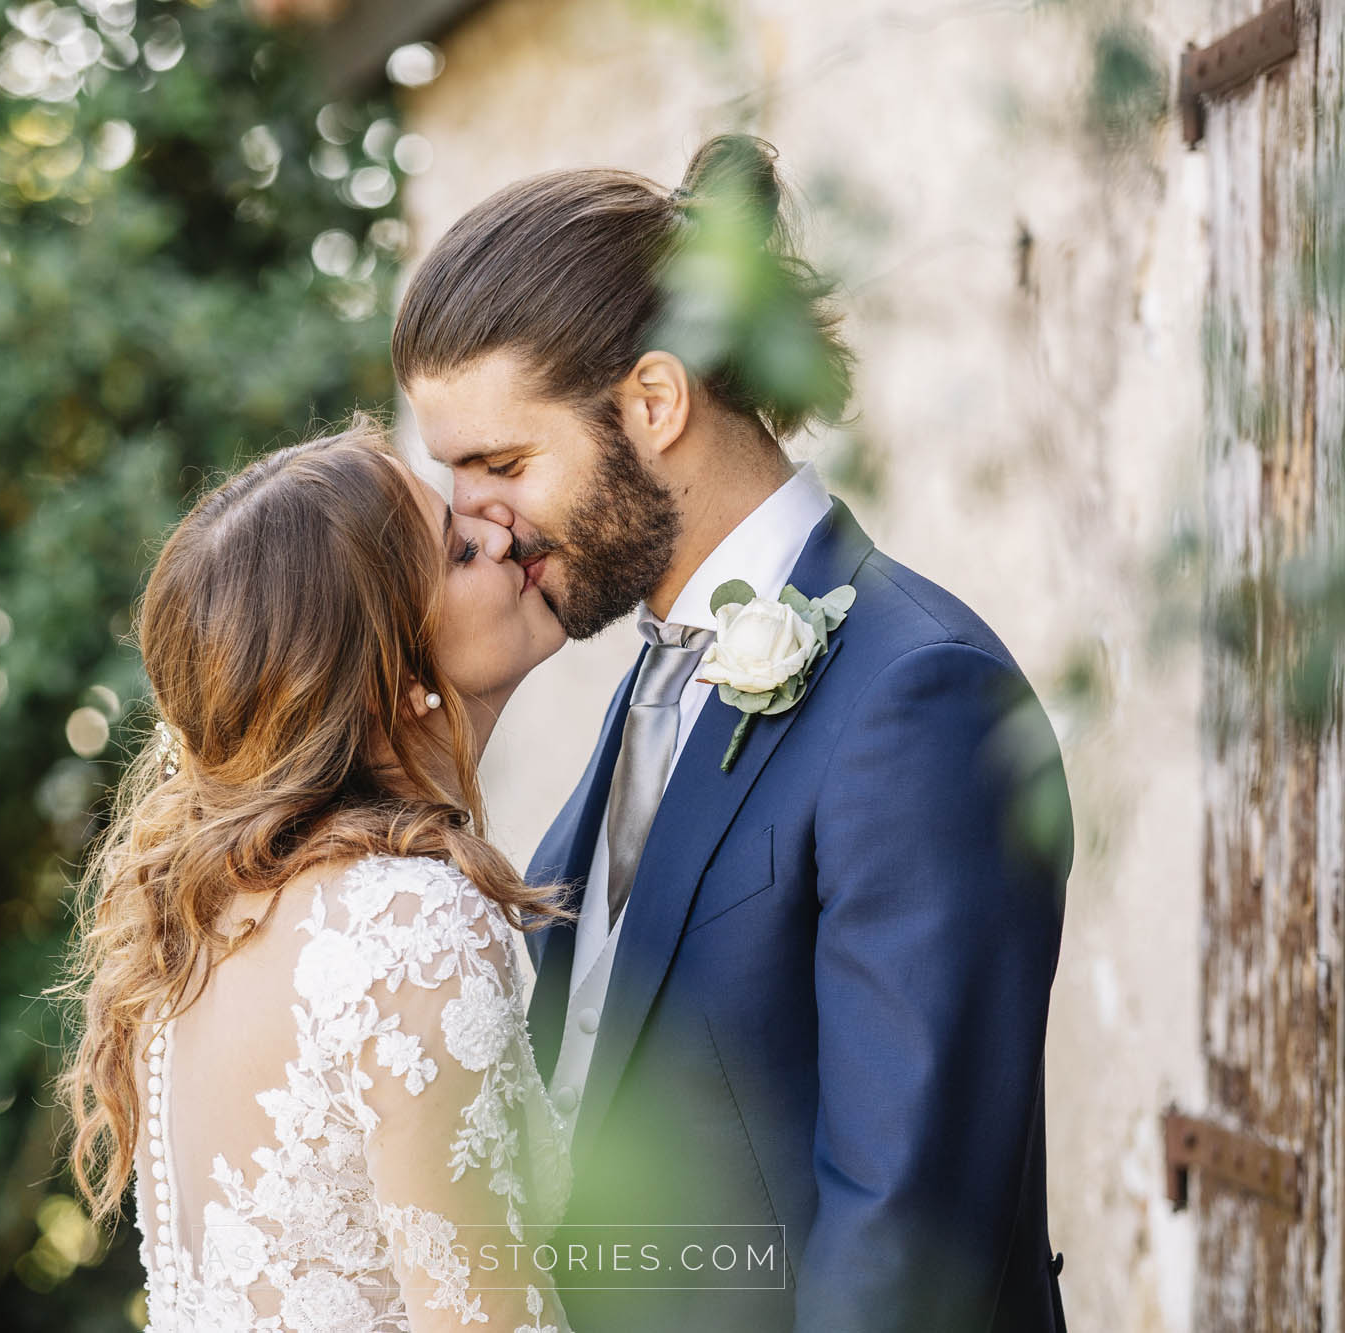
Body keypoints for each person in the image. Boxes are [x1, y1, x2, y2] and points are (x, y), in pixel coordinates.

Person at [393, 134, 1074, 1332]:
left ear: (653, 403)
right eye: (453, 478)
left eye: (499, 463)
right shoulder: (650, 670)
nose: (478, 527)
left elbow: (904, 1244)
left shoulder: (919, 696)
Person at [52, 419, 579, 1332]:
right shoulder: (407, 929)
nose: (499, 532)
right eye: (459, 550)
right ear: (387, 674)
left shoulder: (204, 940)